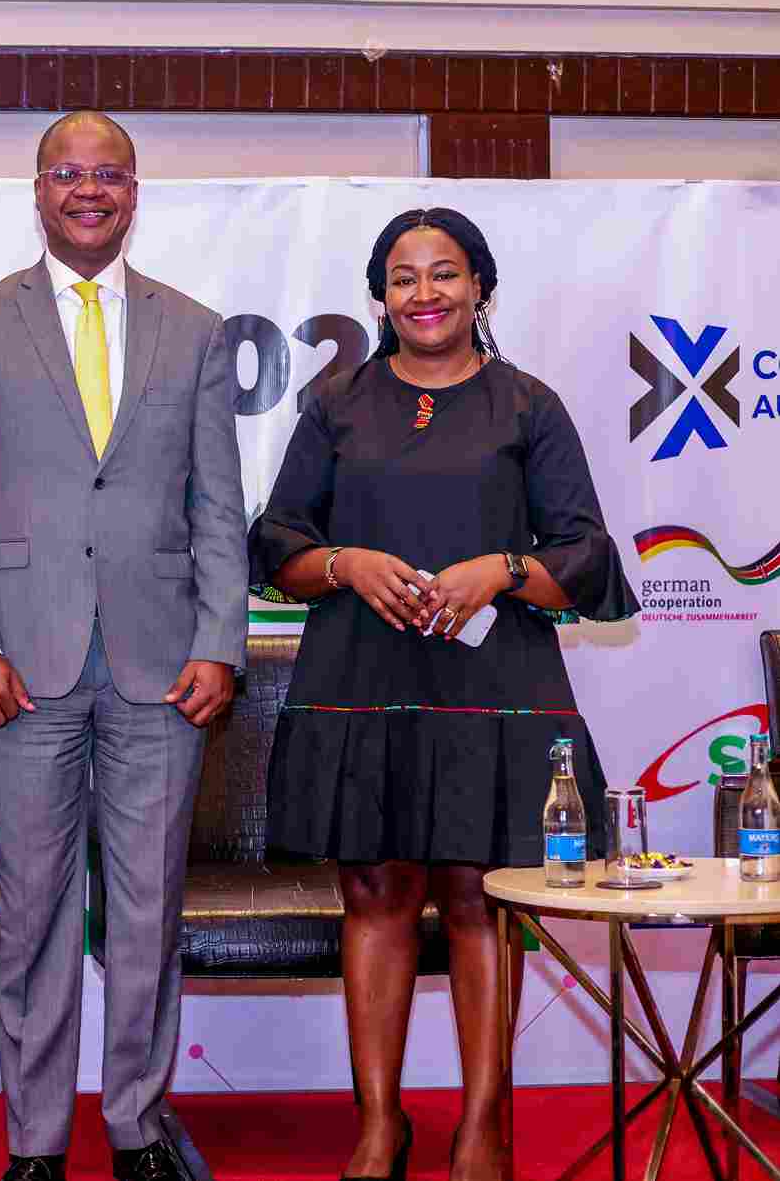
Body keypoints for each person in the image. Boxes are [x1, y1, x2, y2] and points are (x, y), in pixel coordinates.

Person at [249, 207, 637, 1181]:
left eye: (446, 274)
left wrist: (501, 569)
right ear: (378, 296)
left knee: (478, 897)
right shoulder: (337, 403)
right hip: (361, 680)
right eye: (405, 277)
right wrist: (344, 561)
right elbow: (278, 547)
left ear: (480, 288)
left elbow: (583, 557)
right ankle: (379, 1124)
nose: (425, 293)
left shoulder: (529, 406)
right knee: (375, 893)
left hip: (491, 681)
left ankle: (483, 1127)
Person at [0, 111, 248, 1181]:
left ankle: (141, 1126)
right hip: (22, 664)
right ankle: (37, 1141)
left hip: (164, 667)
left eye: (109, 174)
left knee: (149, 910)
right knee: (33, 913)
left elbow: (216, 508)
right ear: (39, 188)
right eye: (69, 172)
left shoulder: (195, 329)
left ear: (135, 189)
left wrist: (221, 644)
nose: (89, 190)